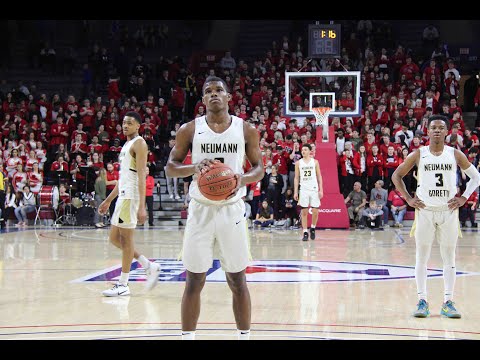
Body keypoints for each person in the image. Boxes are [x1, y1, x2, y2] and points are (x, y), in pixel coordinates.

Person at [165, 76, 264, 340]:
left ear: (229, 97)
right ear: (203, 99)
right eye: (208, 91)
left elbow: (259, 168)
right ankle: (187, 337)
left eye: (219, 90)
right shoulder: (189, 129)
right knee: (194, 280)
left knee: (237, 280)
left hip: (232, 209)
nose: (214, 94)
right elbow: (170, 167)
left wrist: (243, 178)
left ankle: (244, 336)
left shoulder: (246, 130)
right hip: (201, 209)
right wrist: (193, 168)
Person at [392, 115, 480, 319]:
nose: (437, 131)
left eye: (441, 128)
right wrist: (408, 199)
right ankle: (422, 300)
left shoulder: (455, 154)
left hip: (448, 211)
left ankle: (448, 302)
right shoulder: (419, 154)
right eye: (433, 128)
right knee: (421, 258)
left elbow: (476, 177)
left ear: (448, 131)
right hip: (425, 211)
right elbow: (396, 175)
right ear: (428, 131)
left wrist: (464, 198)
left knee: (449, 258)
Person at [98, 111, 161, 297]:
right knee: (114, 239)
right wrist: (108, 200)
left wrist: (142, 205)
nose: (125, 126)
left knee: (126, 240)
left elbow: (141, 175)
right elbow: (123, 178)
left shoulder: (140, 143)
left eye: (130, 123)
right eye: (124, 123)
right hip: (123, 195)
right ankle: (148, 265)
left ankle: (123, 284)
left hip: (131, 196)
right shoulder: (126, 144)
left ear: (138, 126)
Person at [294, 143, 324, 241]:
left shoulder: (315, 162)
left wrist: (321, 189)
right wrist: (295, 192)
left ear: (310, 151)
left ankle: (313, 228)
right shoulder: (298, 163)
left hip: (314, 189)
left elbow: (319, 176)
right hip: (303, 189)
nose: (303, 151)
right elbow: (296, 178)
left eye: (305, 149)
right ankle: (305, 232)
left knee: (315, 211)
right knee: (304, 211)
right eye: (302, 150)